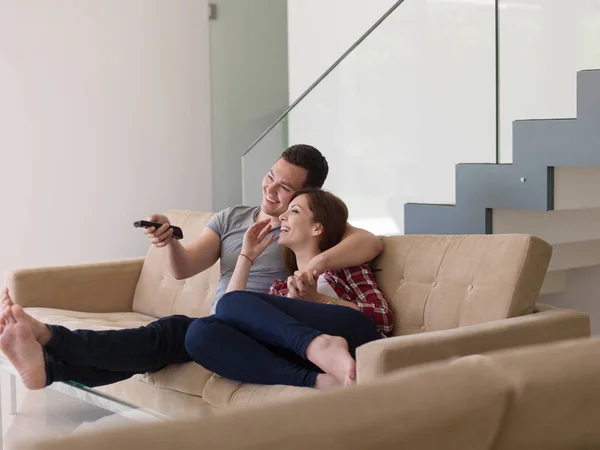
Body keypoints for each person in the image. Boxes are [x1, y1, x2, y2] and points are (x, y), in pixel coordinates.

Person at [0, 144, 384, 390]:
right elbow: (184, 269)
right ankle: (51, 361)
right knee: (181, 335)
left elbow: (369, 242)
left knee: (191, 326)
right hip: (234, 321)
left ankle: (51, 343)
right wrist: (170, 242)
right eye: (270, 177)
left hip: (267, 322)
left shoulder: (311, 224)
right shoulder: (236, 219)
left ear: (305, 196)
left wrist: (313, 269)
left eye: (285, 189)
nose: (270, 189)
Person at [185, 188, 393, 389]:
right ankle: (317, 380)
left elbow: (383, 318)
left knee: (230, 303)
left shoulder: (344, 268)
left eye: (294, 211)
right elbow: (226, 316)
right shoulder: (281, 288)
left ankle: (320, 345)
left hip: (355, 336)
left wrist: (317, 299)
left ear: (317, 228)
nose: (282, 216)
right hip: (307, 359)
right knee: (199, 334)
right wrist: (247, 255)